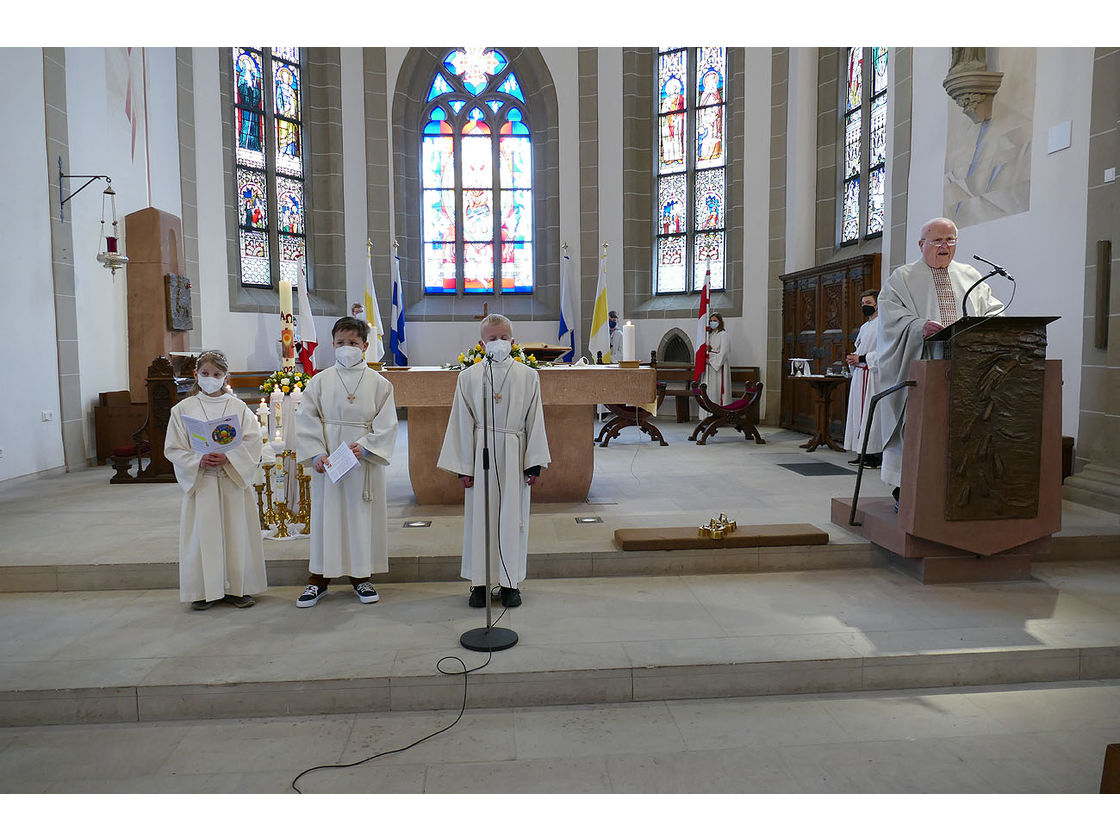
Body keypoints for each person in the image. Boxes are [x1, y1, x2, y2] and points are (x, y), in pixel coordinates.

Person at [876, 217, 1003, 509]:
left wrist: (990, 325)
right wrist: (918, 326)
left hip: (966, 371)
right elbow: (891, 318)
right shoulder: (903, 278)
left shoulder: (971, 275)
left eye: (950, 240)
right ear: (922, 245)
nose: (945, 246)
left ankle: (959, 490)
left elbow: (992, 310)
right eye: (937, 240)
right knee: (917, 428)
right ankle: (906, 491)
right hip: (921, 367)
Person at [437, 314, 551, 608]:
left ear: (513, 342)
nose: (498, 343)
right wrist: (463, 467)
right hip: (480, 454)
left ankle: (510, 582)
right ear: (481, 343)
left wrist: (534, 462)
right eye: (492, 338)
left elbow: (534, 420)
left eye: (503, 338)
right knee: (480, 519)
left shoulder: (529, 376)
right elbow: (461, 422)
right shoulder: (468, 377)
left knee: (514, 520)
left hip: (514, 451)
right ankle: (479, 583)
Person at [294, 316, 398, 607]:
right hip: (328, 461)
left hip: (362, 463)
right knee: (327, 517)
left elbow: (388, 424)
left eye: (353, 343)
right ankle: (318, 579)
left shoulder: (380, 384)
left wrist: (365, 447)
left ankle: (361, 576)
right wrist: (316, 453)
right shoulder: (320, 380)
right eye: (341, 342)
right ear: (332, 344)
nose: (346, 347)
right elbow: (306, 418)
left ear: (365, 346)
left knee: (359, 518)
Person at [165, 349, 267, 611]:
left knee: (236, 532)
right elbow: (174, 448)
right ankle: (203, 590)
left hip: (231, 478)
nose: (211, 378)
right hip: (203, 481)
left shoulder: (238, 407)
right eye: (205, 373)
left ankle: (238, 588)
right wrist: (197, 460)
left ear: (226, 377)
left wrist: (229, 457)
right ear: (195, 374)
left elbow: (252, 440)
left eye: (217, 374)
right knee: (203, 535)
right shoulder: (182, 409)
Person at [844, 289, 883, 469]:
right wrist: (854, 358)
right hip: (860, 374)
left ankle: (874, 455)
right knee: (858, 415)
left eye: (868, 303)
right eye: (863, 304)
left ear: (877, 304)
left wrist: (861, 358)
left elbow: (885, 352)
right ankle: (862, 453)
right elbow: (859, 347)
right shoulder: (865, 327)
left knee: (871, 415)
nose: (864, 307)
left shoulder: (883, 324)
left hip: (872, 375)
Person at [703, 312, 732, 409]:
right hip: (710, 368)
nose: (712, 322)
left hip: (719, 368)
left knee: (719, 390)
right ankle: (709, 412)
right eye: (711, 321)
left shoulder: (724, 335)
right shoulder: (710, 335)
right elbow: (712, 350)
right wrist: (708, 350)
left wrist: (710, 360)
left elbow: (724, 353)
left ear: (720, 322)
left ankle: (720, 412)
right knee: (710, 390)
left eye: (715, 321)